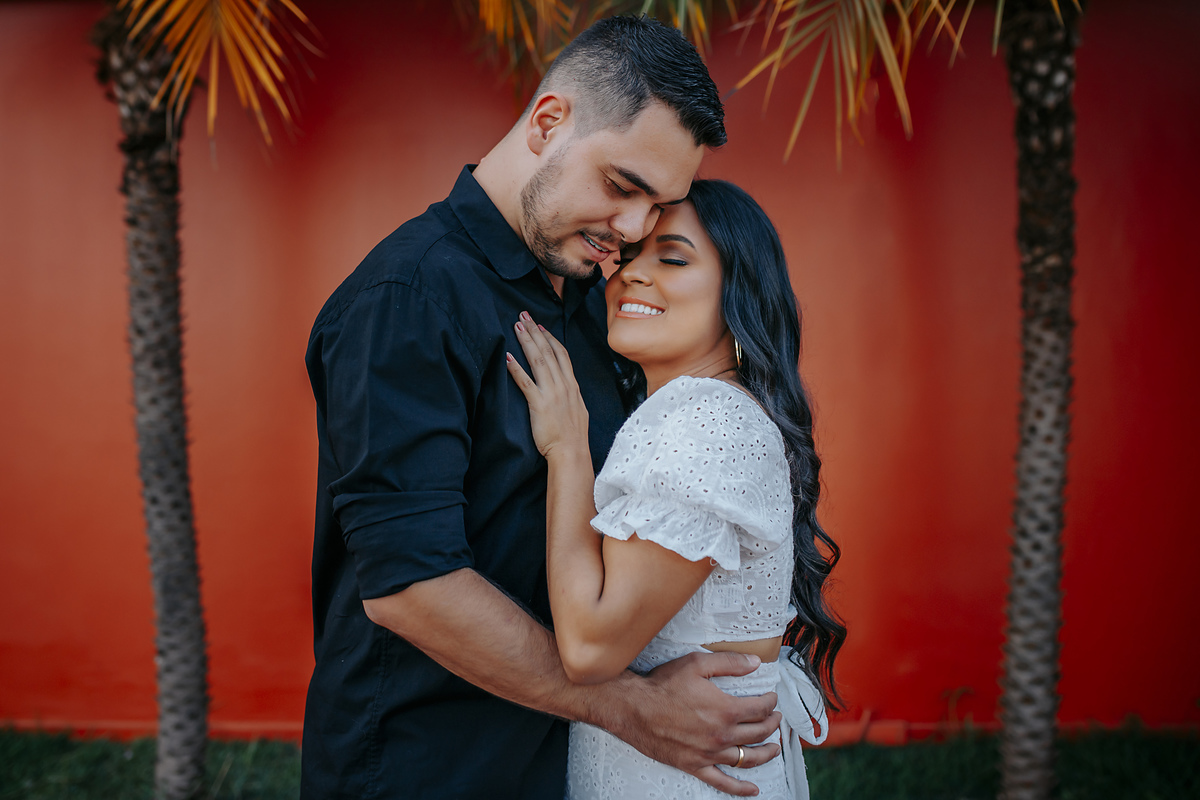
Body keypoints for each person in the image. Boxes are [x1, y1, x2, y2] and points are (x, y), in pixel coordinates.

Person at [302, 17, 785, 800]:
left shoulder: (596, 301)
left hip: (561, 767)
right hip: (425, 769)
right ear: (549, 121)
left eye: (658, 205)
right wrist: (633, 708)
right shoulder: (406, 300)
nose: (631, 231)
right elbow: (409, 587)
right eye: (623, 186)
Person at [506, 179, 846, 799]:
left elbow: (589, 649)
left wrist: (567, 449)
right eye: (629, 257)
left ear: (737, 295)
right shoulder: (700, 413)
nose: (631, 275)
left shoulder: (705, 420)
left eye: (674, 257)